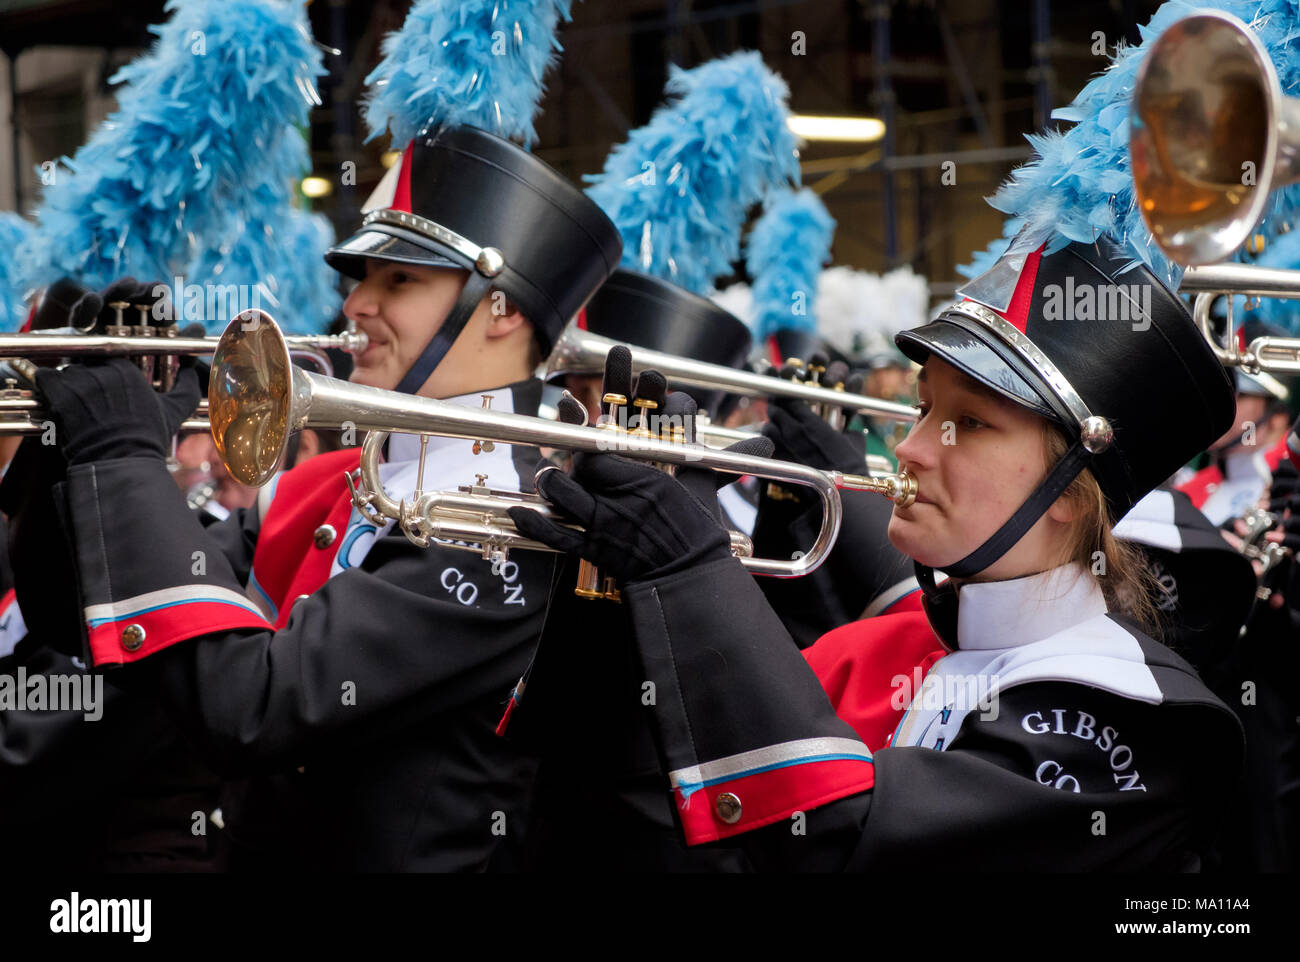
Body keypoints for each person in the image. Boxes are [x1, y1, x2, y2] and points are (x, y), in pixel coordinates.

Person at [508, 237, 1247, 870]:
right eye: (925, 408)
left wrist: (692, 570)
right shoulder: (954, 648)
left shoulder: (1133, 719)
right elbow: (647, 828)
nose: (913, 446)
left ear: (1069, 492)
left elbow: (839, 846)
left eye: (972, 424)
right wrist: (614, 588)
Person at [15, 123, 620, 871]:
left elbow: (249, 708)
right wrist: (74, 448)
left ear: (503, 310)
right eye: (362, 276)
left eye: (399, 280)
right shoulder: (348, 482)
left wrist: (124, 457)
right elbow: (81, 621)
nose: (356, 303)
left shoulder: (508, 518)